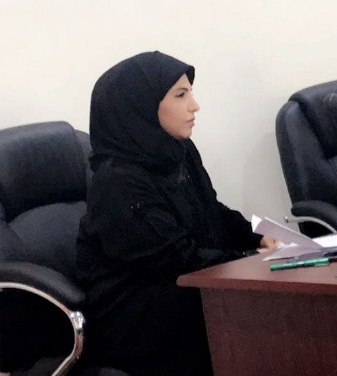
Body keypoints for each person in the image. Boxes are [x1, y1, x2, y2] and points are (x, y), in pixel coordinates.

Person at [76, 51, 277, 376]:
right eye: (181, 95)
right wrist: (251, 258)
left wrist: (259, 234)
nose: (195, 106)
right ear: (142, 106)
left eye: (190, 93)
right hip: (136, 314)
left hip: (184, 286)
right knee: (263, 307)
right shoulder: (117, 182)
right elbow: (175, 259)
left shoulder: (177, 150)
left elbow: (212, 210)